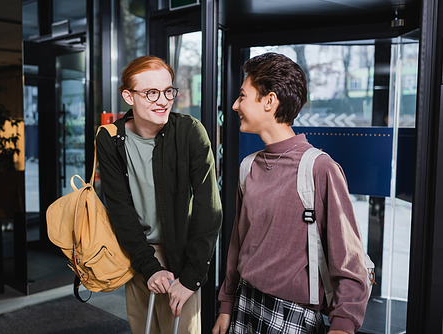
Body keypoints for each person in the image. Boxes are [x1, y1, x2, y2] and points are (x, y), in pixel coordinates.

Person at [212, 52, 369, 334]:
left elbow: (349, 260)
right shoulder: (248, 166)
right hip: (245, 303)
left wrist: (343, 325)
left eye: (243, 96)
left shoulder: (320, 169)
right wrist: (226, 304)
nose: (235, 105)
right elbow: (238, 244)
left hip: (293, 315)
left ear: (269, 101)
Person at [97, 55, 222, 333]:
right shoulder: (109, 138)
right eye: (151, 93)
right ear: (129, 96)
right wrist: (148, 266)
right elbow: (120, 207)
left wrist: (191, 278)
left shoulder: (189, 132)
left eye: (168, 91)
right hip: (137, 254)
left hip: (183, 255)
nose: (163, 100)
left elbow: (209, 209)